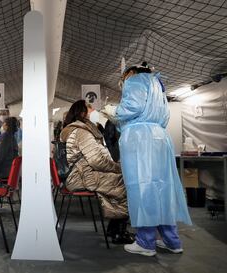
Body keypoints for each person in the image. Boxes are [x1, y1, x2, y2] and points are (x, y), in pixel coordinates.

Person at [102, 62, 192, 256]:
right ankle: (172, 241)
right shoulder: (157, 85)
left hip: (139, 139)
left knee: (142, 187)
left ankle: (146, 241)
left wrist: (112, 111)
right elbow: (165, 114)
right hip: (160, 137)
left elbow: (131, 107)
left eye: (123, 78)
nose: (123, 83)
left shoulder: (135, 80)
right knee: (163, 189)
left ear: (130, 73)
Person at [60, 100, 134, 244]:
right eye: (90, 110)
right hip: (82, 176)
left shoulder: (80, 130)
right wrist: (117, 168)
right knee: (126, 183)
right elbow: (96, 160)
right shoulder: (81, 131)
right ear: (82, 113)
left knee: (120, 181)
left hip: (82, 174)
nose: (94, 112)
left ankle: (114, 229)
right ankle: (118, 232)